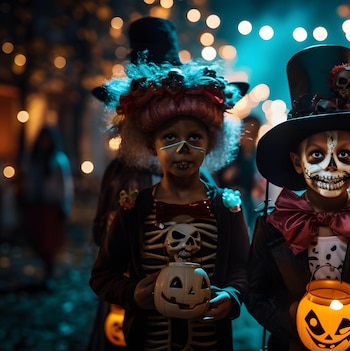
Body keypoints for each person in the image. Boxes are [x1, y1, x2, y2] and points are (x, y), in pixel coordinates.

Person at [89, 32, 249, 350]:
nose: (183, 149)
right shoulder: (133, 208)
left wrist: (232, 297)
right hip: (145, 339)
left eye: (195, 138)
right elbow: (102, 274)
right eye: (170, 138)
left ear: (211, 143)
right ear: (152, 144)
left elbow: (243, 268)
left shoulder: (225, 207)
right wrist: (131, 293)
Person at [247, 45, 350, 350]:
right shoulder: (273, 225)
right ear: (298, 162)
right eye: (317, 155)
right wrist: (288, 316)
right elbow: (256, 293)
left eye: (344, 154)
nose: (332, 166)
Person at [20, 125, 73, 289]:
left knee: (49, 242)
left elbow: (65, 186)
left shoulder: (58, 160)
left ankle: (49, 274)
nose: (45, 142)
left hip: (51, 206)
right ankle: (45, 272)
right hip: (36, 204)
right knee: (36, 239)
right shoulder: (33, 158)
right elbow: (26, 179)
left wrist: (65, 206)